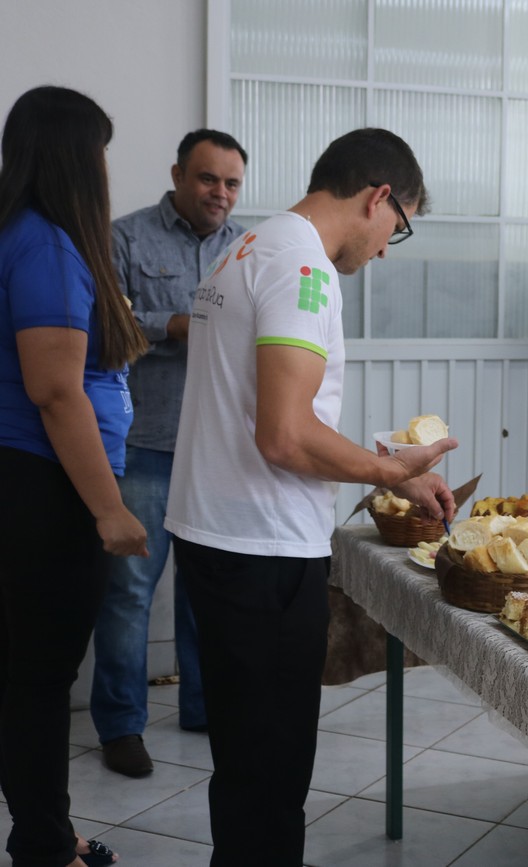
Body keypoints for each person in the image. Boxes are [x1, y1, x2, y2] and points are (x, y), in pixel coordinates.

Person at [164, 128, 459, 866]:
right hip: (261, 549)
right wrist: (388, 472)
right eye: (399, 226)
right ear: (378, 197)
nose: (386, 250)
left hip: (218, 534)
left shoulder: (250, 245)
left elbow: (273, 415)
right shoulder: (303, 267)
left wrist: (392, 468)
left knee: (246, 768)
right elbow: (285, 435)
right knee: (270, 778)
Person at [0, 85, 148, 867]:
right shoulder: (48, 245)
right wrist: (110, 509)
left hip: (25, 481)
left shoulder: (17, 233)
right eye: (99, 152)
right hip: (44, 488)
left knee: (24, 675)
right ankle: (47, 848)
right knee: (39, 679)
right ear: (73, 158)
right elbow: (56, 392)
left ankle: (46, 833)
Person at [91, 129, 247, 778]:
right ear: (179, 175)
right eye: (208, 179)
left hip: (219, 453)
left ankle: (203, 708)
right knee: (128, 593)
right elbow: (107, 326)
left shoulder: (248, 247)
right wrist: (177, 324)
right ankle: (120, 724)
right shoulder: (125, 238)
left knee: (206, 591)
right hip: (146, 446)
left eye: (232, 183)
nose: (220, 193)